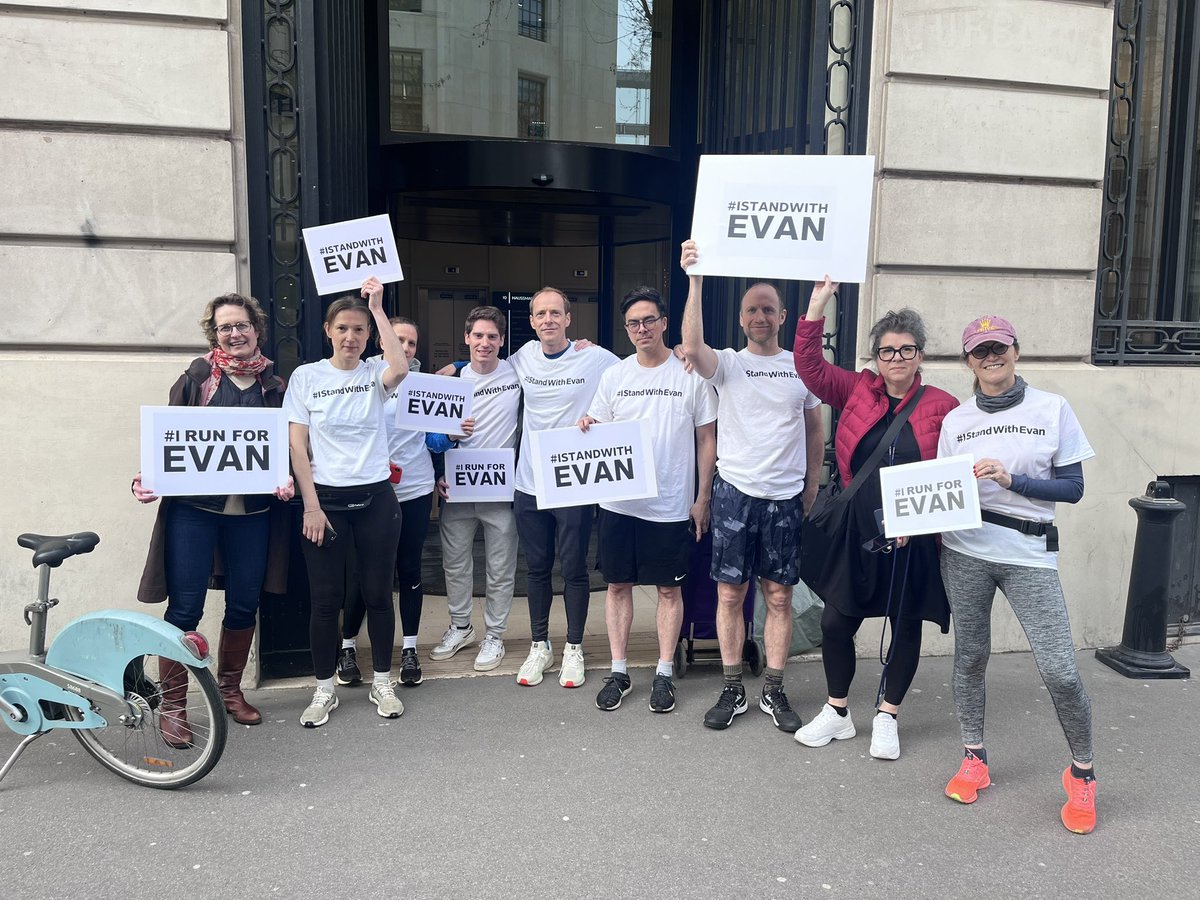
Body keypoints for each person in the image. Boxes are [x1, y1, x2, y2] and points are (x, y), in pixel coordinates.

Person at [937, 315, 1097, 834]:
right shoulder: (957, 421)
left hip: (1029, 553)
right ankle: (974, 757)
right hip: (964, 550)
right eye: (979, 351)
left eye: (998, 348)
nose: (990, 358)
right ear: (969, 362)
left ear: (1015, 351)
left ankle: (1083, 774)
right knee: (971, 657)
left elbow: (1072, 488)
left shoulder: (1052, 408)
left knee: (1061, 671)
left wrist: (1015, 480)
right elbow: (940, 490)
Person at [792, 280, 957, 759]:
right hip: (858, 535)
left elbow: (953, 475)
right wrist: (818, 303)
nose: (897, 359)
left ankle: (888, 715)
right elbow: (810, 367)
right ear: (876, 358)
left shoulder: (943, 407)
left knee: (906, 625)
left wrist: (925, 525)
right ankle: (838, 712)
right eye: (888, 351)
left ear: (921, 355)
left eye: (907, 350)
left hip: (915, 537)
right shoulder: (856, 389)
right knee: (836, 624)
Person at [132, 292, 294, 747]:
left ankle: (228, 691)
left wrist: (286, 478)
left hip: (253, 515)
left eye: (241, 325)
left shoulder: (276, 388)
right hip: (195, 514)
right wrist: (144, 479)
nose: (235, 334)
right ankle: (174, 704)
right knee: (185, 608)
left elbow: (289, 447)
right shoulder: (198, 376)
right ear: (214, 334)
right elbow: (168, 439)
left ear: (256, 329)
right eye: (225, 327)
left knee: (244, 603)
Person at [679, 240, 824, 734]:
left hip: (783, 499)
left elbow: (814, 428)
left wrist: (811, 486)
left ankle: (775, 689)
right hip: (734, 495)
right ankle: (733, 686)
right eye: (751, 310)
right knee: (729, 596)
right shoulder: (728, 365)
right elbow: (692, 347)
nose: (760, 317)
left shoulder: (800, 369)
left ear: (782, 316)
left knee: (779, 598)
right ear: (741, 320)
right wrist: (696, 280)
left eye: (768, 309)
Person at [581, 287, 717, 713]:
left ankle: (662, 674)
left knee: (668, 590)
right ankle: (619, 671)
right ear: (627, 330)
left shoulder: (689, 372)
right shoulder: (615, 376)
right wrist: (586, 423)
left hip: (670, 505)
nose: (642, 329)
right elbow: (596, 425)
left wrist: (702, 498)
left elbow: (707, 438)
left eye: (649, 320)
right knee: (617, 585)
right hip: (619, 505)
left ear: (663, 322)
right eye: (633, 323)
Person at [285, 277, 408, 728]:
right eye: (343, 329)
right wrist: (311, 506)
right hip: (327, 504)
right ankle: (323, 689)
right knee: (325, 600)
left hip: (377, 499)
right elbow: (297, 445)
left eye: (359, 330)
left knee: (377, 595)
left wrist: (377, 307)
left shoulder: (376, 373)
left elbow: (401, 367)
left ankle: (381, 681)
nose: (351, 338)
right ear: (328, 330)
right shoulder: (307, 377)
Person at [507, 287, 619, 688]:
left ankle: (574, 647)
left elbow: (636, 373)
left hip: (573, 480)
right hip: (529, 483)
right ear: (533, 321)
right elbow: (484, 371)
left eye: (556, 313)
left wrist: (678, 354)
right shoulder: (521, 358)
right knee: (536, 569)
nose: (549, 319)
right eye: (541, 314)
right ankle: (540, 645)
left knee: (572, 568)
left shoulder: (595, 357)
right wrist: (451, 367)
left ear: (569, 319)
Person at [335, 316, 436, 689]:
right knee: (364, 573)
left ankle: (409, 649)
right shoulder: (365, 377)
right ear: (382, 340)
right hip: (372, 488)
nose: (406, 349)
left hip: (416, 487)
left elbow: (437, 435)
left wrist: (453, 436)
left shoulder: (426, 384)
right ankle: (347, 647)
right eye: (400, 341)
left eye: (412, 343)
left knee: (410, 570)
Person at [426, 306, 521, 671]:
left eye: (492, 337)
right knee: (455, 564)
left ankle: (495, 634)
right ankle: (461, 627)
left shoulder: (517, 372)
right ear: (466, 338)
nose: (485, 343)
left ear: (502, 341)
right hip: (458, 489)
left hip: (500, 488)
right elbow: (431, 440)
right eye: (478, 336)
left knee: (500, 566)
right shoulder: (449, 382)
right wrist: (450, 433)